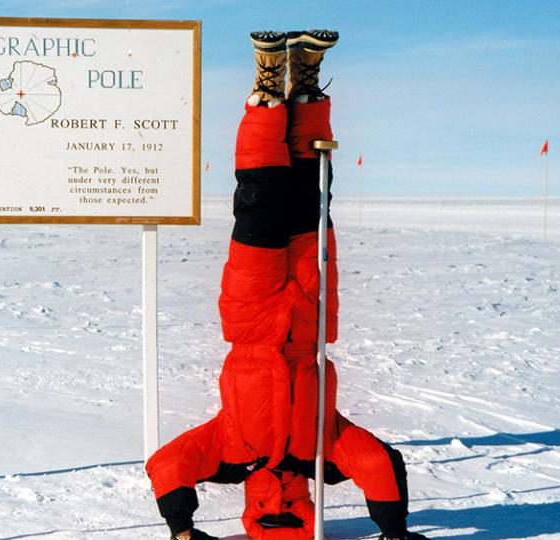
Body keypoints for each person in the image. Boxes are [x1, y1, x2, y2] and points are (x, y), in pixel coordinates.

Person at [145, 31, 427, 540]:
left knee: (261, 199)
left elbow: (168, 463)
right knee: (310, 190)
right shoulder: (323, 453)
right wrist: (394, 531)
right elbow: (380, 462)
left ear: (250, 513)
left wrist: (182, 530)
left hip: (250, 312)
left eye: (268, 518)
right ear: (309, 507)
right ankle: (307, 90)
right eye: (292, 516)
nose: (282, 505)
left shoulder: (229, 455)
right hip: (311, 310)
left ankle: (266, 94)